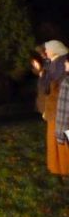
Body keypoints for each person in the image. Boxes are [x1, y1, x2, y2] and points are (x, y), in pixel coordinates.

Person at [37, 41, 69, 176]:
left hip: (60, 108)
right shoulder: (52, 62)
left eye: (47, 49)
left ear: (55, 50)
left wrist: (44, 76)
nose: (45, 52)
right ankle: (58, 168)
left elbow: (52, 87)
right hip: (54, 108)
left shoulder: (61, 64)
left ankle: (64, 168)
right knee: (54, 139)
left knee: (62, 139)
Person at [53, 56, 69, 177]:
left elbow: (63, 111)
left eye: (67, 63)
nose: (65, 65)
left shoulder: (66, 83)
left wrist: (59, 135)